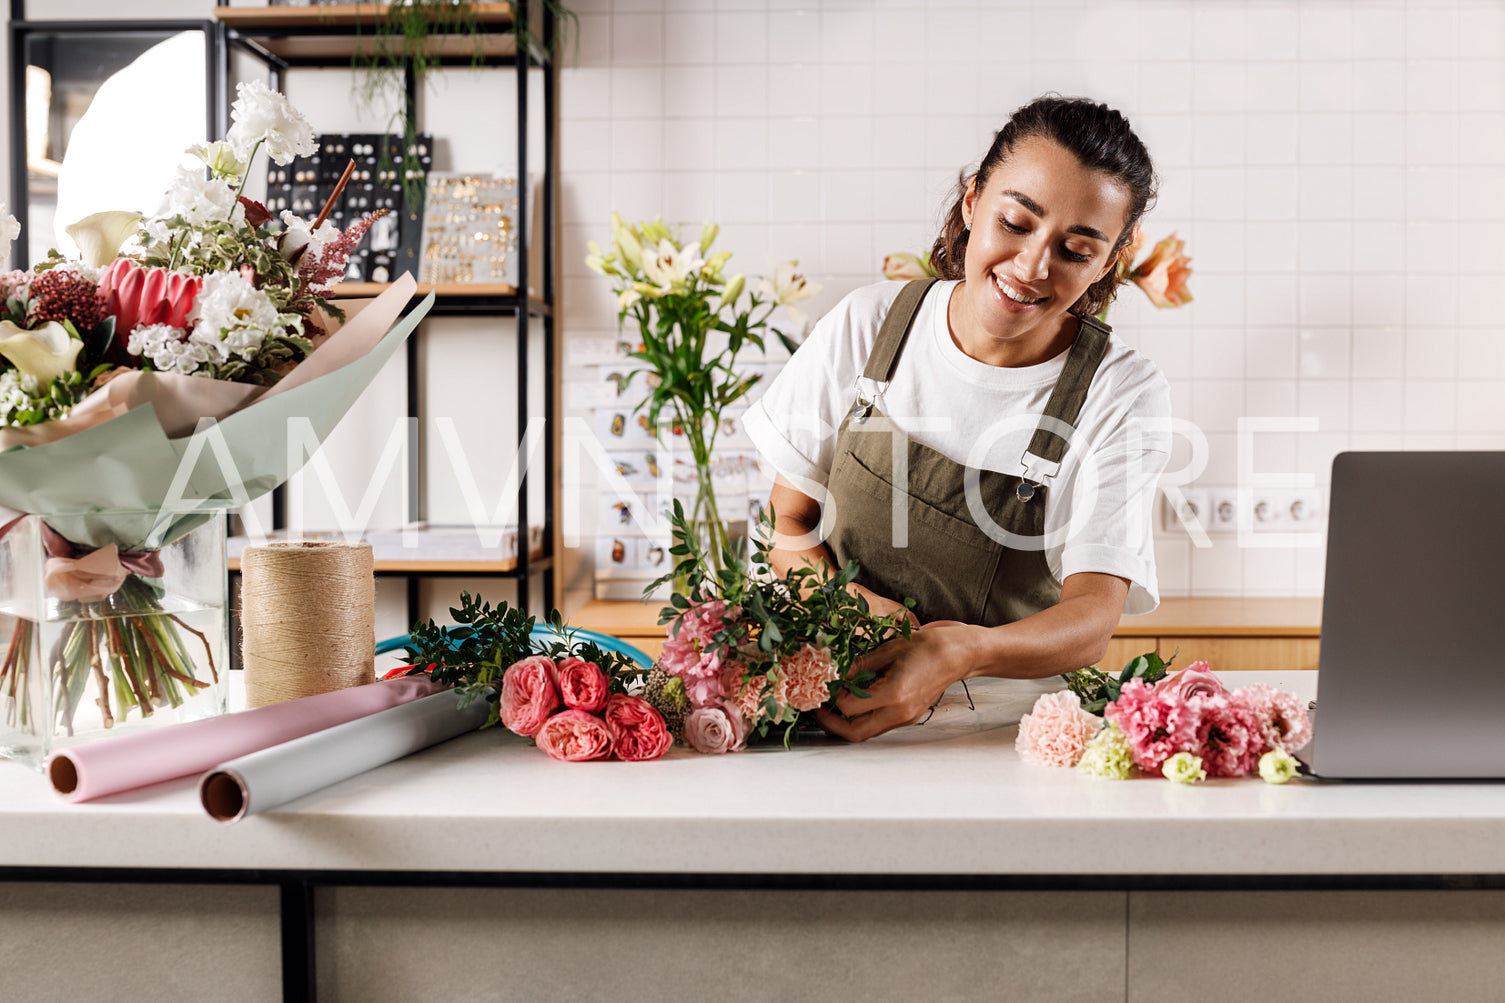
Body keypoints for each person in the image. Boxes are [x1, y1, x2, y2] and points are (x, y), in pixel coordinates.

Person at [743, 95, 1172, 742]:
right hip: (831, 704)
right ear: (973, 200)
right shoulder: (871, 323)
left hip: (999, 733)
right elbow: (789, 523)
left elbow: (1091, 617)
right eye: (1014, 222)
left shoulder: (1118, 391)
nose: (1031, 267)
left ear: (1108, 260)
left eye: (1075, 249)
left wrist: (957, 650)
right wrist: (856, 613)